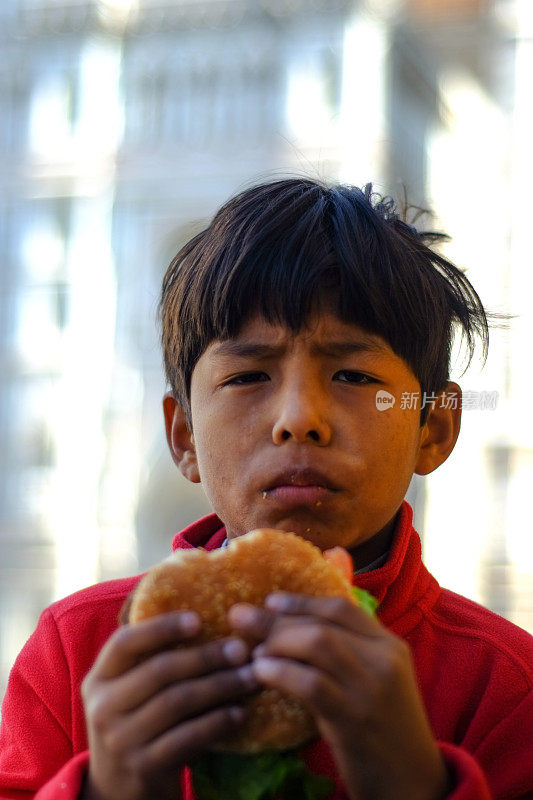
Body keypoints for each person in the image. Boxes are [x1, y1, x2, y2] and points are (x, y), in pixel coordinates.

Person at [1, 178, 532, 800]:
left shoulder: (503, 686)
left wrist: (413, 783)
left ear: (432, 427)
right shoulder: (79, 654)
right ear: (184, 437)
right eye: (249, 374)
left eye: (354, 374)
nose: (298, 417)